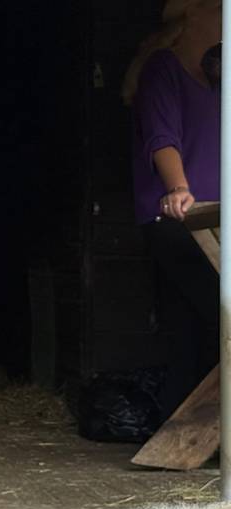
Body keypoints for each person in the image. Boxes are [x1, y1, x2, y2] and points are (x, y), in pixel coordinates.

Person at [124, 0, 222, 419]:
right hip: (179, 219)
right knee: (221, 314)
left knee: (193, 328)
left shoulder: (214, 80)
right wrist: (178, 188)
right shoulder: (163, 67)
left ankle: (176, 431)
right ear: (195, 17)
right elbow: (163, 137)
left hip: (213, 219)